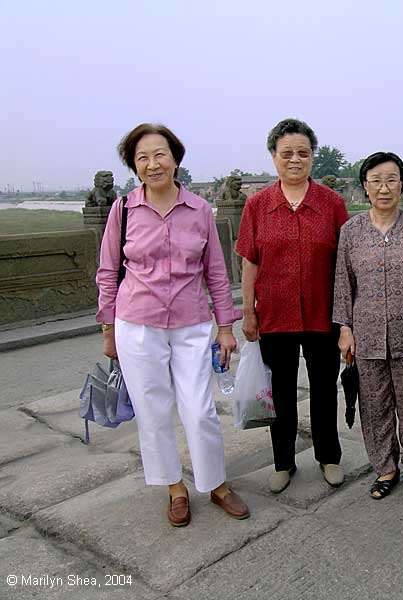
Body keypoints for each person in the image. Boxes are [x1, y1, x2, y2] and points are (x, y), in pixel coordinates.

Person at [96, 123, 249, 527]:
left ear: (175, 158)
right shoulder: (123, 210)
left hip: (192, 324)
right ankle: (174, 487)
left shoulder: (199, 209)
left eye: (159, 154)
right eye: (142, 157)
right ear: (133, 165)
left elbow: (217, 272)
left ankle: (216, 484)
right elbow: (108, 271)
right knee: (153, 411)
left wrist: (226, 327)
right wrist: (108, 330)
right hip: (137, 324)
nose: (152, 164)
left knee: (199, 410)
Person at [236, 118, 348, 494]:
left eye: (303, 153)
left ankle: (328, 456)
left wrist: (347, 318)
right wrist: (248, 313)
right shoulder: (258, 206)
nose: (295, 160)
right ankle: (283, 462)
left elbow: (345, 263)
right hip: (275, 315)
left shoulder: (331, 204)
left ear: (313, 156)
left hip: (323, 314)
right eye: (287, 154)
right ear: (274, 158)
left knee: (323, 389)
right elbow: (249, 261)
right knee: (280, 393)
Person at [333, 152, 403, 499]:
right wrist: (345, 328)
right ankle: (385, 469)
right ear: (365, 186)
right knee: (374, 405)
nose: (384, 187)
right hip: (365, 335)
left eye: (391, 179)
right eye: (376, 180)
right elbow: (343, 283)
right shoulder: (351, 231)